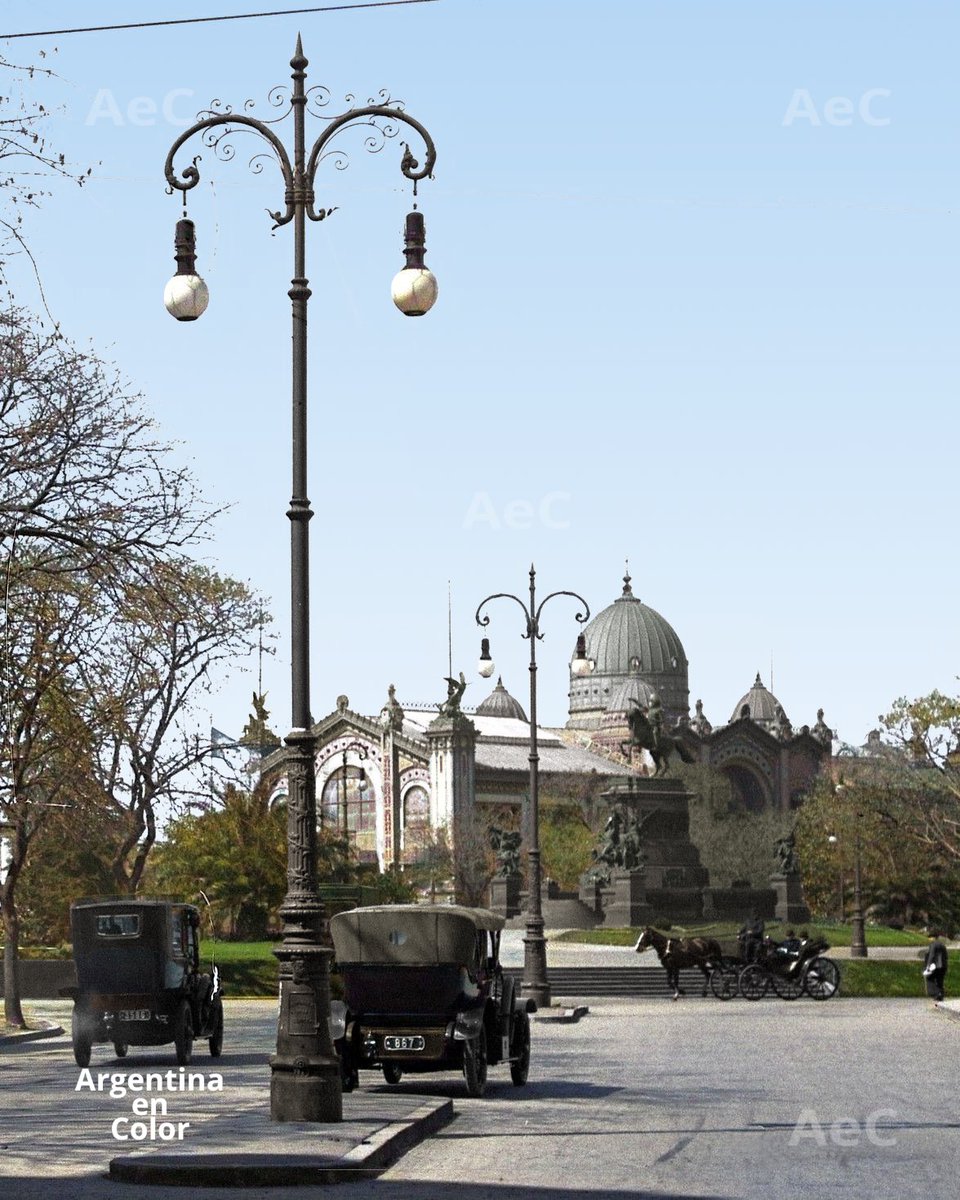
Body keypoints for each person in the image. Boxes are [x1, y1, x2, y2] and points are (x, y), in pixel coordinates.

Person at [923, 932, 949, 1001]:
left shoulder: (933, 945)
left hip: (936, 966)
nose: (929, 939)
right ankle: (941, 995)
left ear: (933, 938)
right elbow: (946, 956)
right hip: (943, 966)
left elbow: (931, 955)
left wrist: (928, 966)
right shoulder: (942, 945)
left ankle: (936, 993)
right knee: (940, 980)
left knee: (931, 978)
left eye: (930, 937)